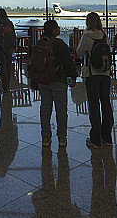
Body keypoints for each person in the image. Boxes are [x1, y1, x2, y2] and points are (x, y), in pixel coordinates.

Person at [35, 19, 77, 148]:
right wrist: (73, 77)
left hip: (43, 81)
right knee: (61, 110)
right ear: (53, 30)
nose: (59, 29)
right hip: (58, 80)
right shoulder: (60, 44)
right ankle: (62, 137)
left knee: (45, 109)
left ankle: (45, 137)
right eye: (57, 27)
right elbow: (68, 62)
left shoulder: (39, 44)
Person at [76, 12, 113, 149]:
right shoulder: (104, 35)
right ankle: (107, 136)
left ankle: (95, 139)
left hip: (92, 74)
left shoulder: (86, 36)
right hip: (105, 73)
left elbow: (79, 53)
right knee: (106, 104)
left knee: (94, 105)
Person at [0, 8, 17, 92]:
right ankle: (8, 83)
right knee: (8, 66)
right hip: (10, 47)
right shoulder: (10, 23)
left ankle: (5, 85)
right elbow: (14, 35)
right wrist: (14, 46)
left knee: (3, 66)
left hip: (1, 47)